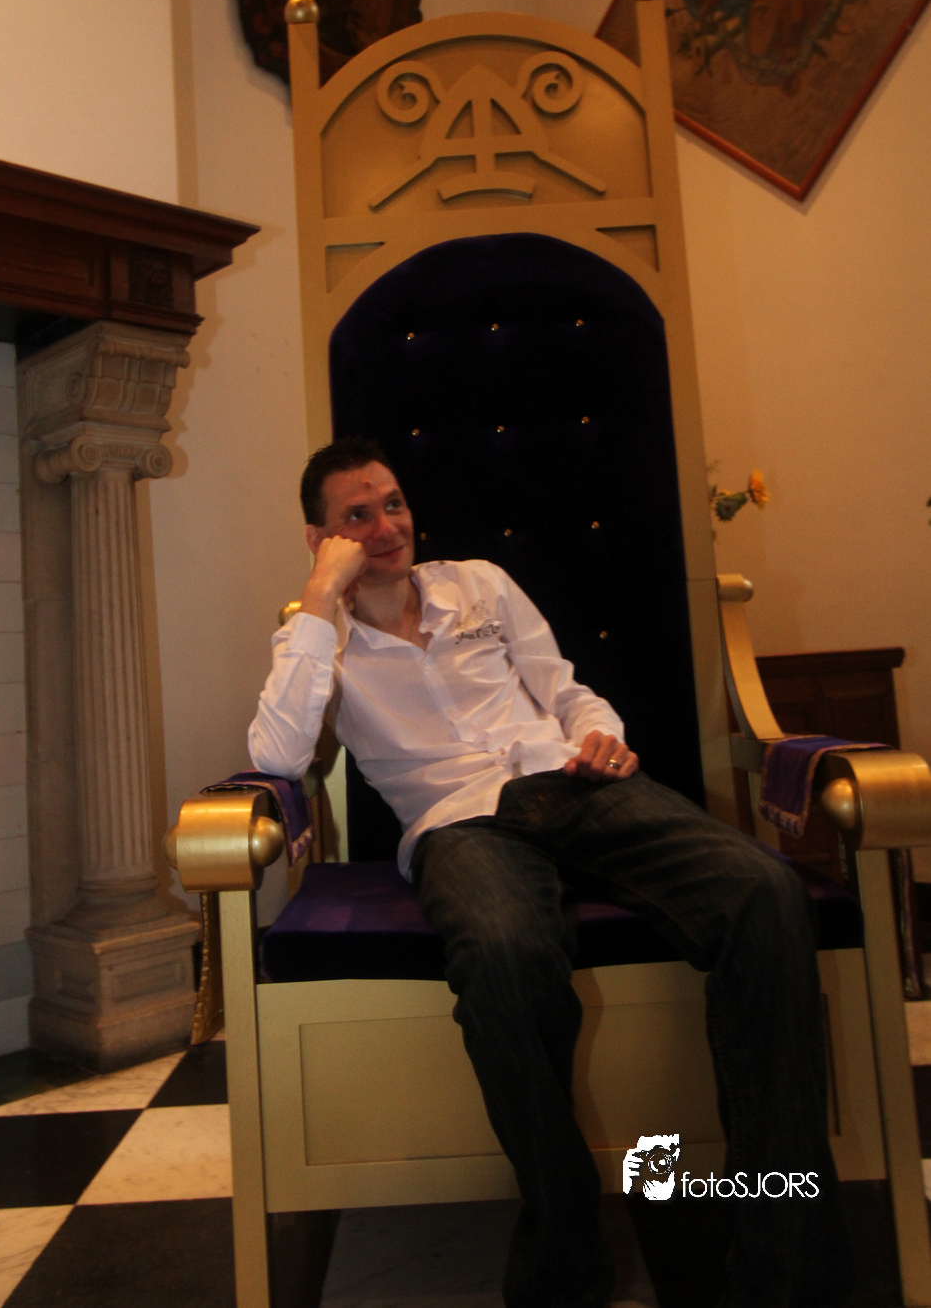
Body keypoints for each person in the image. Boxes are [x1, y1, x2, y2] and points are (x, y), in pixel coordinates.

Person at [249, 437, 854, 1308]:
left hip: (575, 783)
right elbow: (275, 754)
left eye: (394, 503)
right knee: (502, 953)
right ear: (320, 538)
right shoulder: (316, 639)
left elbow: (562, 687)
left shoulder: (480, 583)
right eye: (357, 515)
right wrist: (317, 600)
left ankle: (785, 1266)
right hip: (460, 825)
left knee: (763, 890)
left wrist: (599, 731)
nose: (386, 526)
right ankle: (563, 1257)